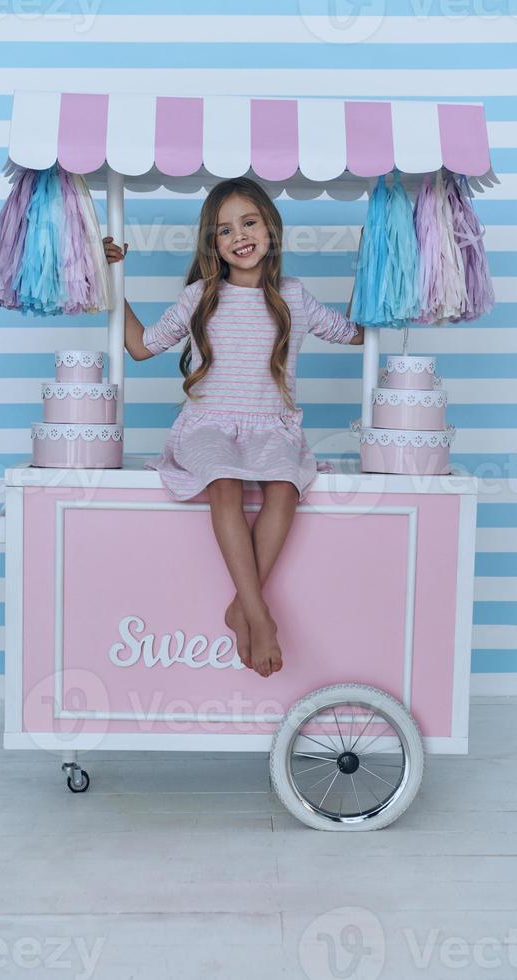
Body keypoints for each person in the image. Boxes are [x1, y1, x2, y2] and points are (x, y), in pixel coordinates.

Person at [103, 176, 364, 679]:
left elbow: (355, 334)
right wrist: (114, 278)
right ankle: (258, 612)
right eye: (225, 231)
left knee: (285, 487)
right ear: (213, 245)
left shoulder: (294, 296)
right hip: (208, 425)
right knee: (222, 482)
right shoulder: (203, 296)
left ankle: (242, 604)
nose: (240, 236)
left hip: (274, 427)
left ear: (270, 226)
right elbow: (140, 347)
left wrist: (373, 269)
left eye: (249, 222)